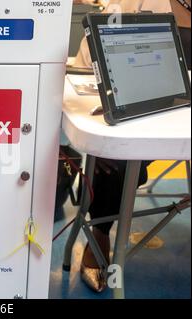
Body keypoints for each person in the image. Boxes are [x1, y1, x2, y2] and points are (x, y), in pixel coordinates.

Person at [71, 0, 191, 293]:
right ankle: (100, 233)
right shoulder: (136, 1)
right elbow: (86, 65)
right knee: (116, 155)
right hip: (150, 102)